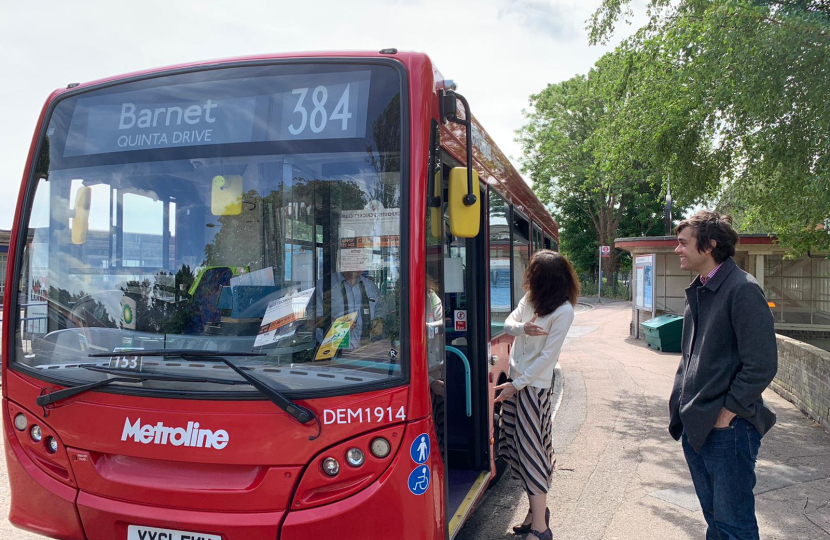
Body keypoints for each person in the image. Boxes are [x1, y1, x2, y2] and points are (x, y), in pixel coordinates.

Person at [669, 210, 777, 540]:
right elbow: (690, 358)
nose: (678, 249)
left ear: (710, 245)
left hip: (728, 431)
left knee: (734, 526)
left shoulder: (742, 289)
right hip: (697, 425)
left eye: (683, 243)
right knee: (716, 522)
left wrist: (728, 412)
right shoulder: (701, 288)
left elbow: (761, 364)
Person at [494, 250, 578, 540]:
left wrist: (516, 385)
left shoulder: (563, 311)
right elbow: (507, 324)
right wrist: (523, 328)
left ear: (548, 280)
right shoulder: (530, 300)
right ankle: (535, 514)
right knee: (515, 448)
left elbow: (547, 359)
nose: (528, 279)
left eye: (534, 274)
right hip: (517, 383)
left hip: (533, 388)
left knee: (531, 451)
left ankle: (541, 529)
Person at [314, 269, 387, 350]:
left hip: (366, 350)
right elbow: (312, 320)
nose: (358, 266)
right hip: (332, 351)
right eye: (354, 260)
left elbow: (380, 308)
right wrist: (335, 323)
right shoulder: (324, 285)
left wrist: (379, 320)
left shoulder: (370, 286)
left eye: (361, 262)